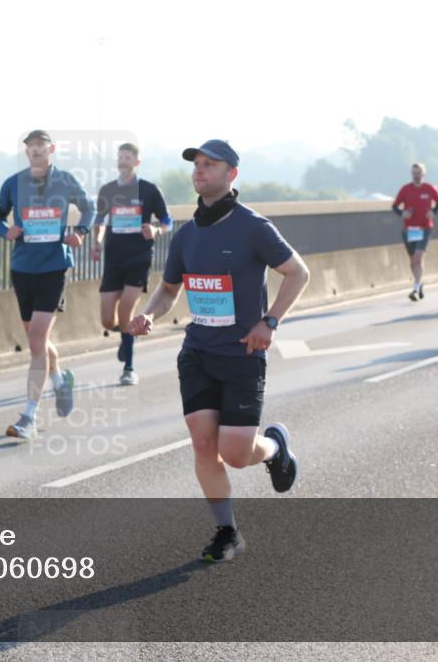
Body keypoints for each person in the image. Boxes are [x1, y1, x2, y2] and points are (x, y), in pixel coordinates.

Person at [128, 139, 310, 563]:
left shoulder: (253, 227)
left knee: (236, 452)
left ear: (232, 174)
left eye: (210, 164)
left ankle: (275, 450)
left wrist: (270, 321)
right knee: (204, 444)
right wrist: (150, 314)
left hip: (243, 354)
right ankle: (227, 531)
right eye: (197, 164)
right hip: (198, 353)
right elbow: (169, 288)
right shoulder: (187, 235)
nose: (199, 171)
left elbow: (297, 273)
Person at [0, 130, 95, 439]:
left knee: (36, 339)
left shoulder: (65, 181)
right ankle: (60, 380)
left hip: (54, 267)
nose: (35, 150)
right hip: (22, 268)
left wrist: (81, 232)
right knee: (37, 341)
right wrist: (4, 231)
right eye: (31, 146)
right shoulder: (13, 183)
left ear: (51, 149)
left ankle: (29, 417)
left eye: (40, 146)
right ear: (26, 152)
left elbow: (90, 208)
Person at [91, 142, 172, 385]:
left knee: (126, 308)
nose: (122, 161)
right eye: (120, 157)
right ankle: (126, 337)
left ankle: (129, 368)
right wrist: (96, 242)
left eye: (127, 157)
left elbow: (167, 221)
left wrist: (156, 230)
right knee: (108, 320)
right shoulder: (107, 190)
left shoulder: (148, 190)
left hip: (139, 257)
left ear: (136, 162)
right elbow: (100, 219)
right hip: (113, 257)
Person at [391, 163, 438, 301]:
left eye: (418, 173)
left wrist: (434, 212)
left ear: (423, 174)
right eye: (414, 173)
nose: (416, 175)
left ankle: (414, 289)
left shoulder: (429, 188)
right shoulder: (406, 189)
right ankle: (419, 284)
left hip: (424, 227)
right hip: (410, 229)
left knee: (419, 257)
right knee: (413, 261)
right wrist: (403, 213)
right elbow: (395, 206)